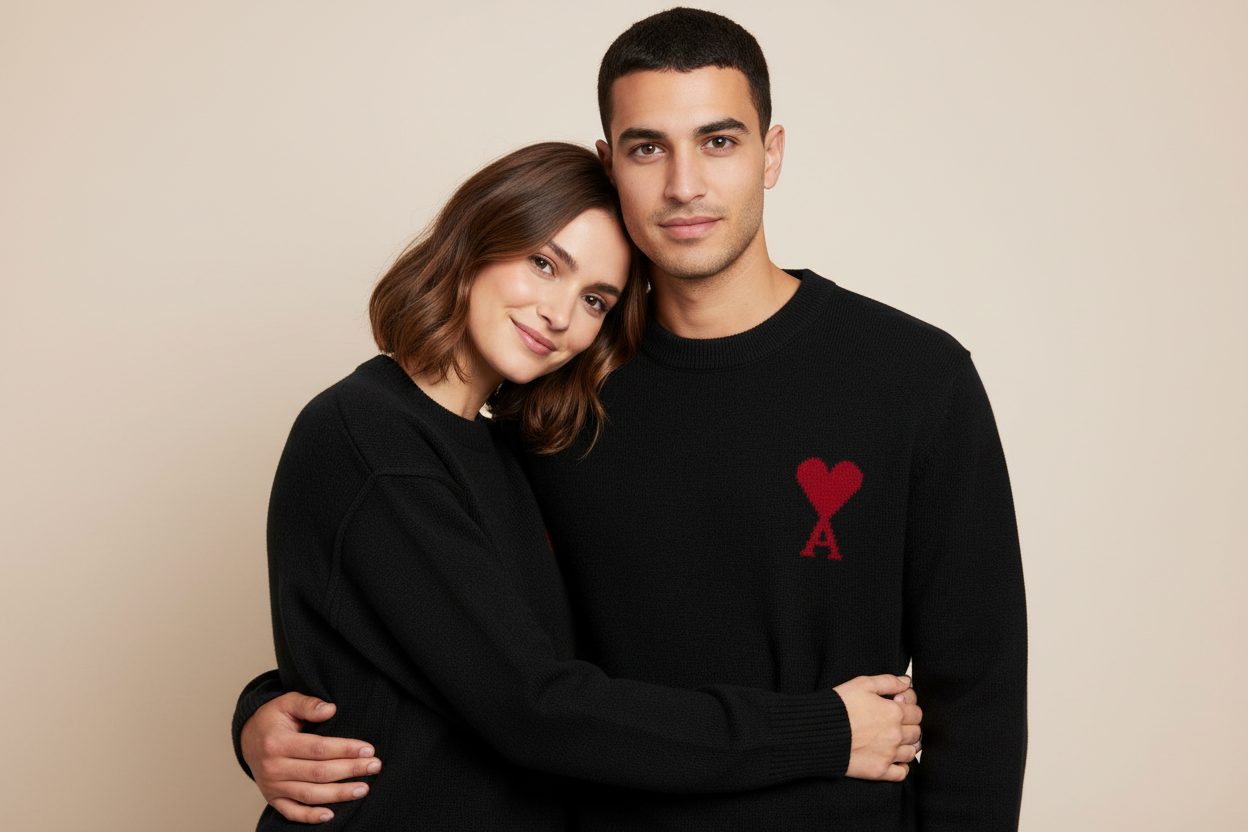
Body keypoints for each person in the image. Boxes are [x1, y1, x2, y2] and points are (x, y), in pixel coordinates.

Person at [237, 9, 1027, 830]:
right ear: (612, 165)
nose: (685, 184)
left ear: (773, 153)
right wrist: (269, 710)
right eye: (649, 147)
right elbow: (477, 652)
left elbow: (978, 695)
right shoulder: (557, 394)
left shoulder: (914, 378)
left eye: (719, 141)